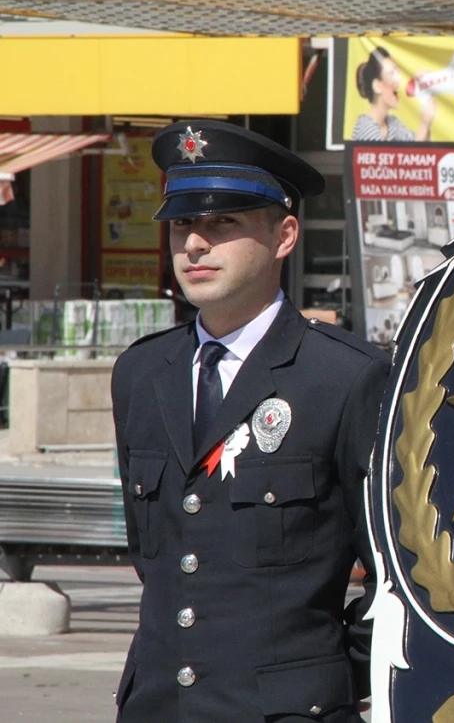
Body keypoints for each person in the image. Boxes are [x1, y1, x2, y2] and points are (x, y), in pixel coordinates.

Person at [111, 120, 391, 722]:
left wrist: (324, 676)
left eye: (222, 223)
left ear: (284, 236)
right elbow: (156, 556)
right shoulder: (141, 373)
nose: (194, 244)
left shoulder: (345, 376)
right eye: (182, 224)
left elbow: (396, 575)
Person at [351, 46, 435, 142]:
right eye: (391, 73)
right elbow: (411, 150)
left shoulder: (392, 124)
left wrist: (426, 121)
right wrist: (424, 124)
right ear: (377, 86)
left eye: (397, 73)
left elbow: (416, 146)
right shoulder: (366, 128)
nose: (398, 79)